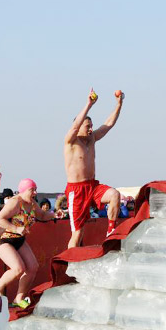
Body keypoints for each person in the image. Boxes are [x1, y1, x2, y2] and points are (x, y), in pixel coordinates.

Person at [64, 89, 124, 247]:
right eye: (87, 126)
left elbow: (108, 124)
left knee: (114, 195)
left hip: (92, 186)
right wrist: (89, 104)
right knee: (77, 233)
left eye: (91, 125)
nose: (90, 129)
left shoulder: (92, 138)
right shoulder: (71, 140)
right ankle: (70, 267)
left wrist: (119, 104)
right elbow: (76, 125)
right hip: (76, 190)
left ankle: (111, 231)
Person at [0, 179, 62, 308]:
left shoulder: (32, 203)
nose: (35, 192)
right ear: (23, 191)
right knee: (18, 269)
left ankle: (19, 298)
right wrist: (16, 228)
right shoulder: (14, 202)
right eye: (32, 190)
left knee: (33, 267)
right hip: (3, 240)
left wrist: (54, 214)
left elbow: (42, 215)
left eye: (35, 189)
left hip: (19, 240)